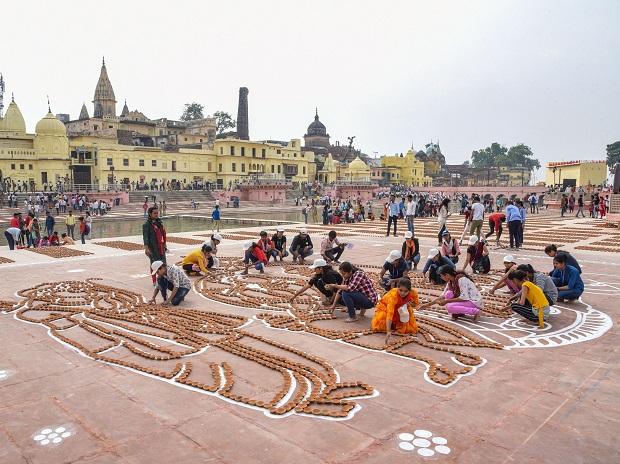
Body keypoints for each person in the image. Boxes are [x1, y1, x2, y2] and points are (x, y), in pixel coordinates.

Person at [371, 278, 419, 344]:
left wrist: (409, 304)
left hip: (401, 307)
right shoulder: (393, 296)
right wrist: (388, 331)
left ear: (409, 290)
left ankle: (395, 324)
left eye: (406, 291)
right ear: (397, 288)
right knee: (381, 322)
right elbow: (389, 314)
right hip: (385, 307)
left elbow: (415, 304)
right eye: (400, 290)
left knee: (408, 324)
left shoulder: (413, 293)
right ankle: (391, 325)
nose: (403, 293)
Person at [143, 207, 167, 285]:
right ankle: (154, 280)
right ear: (150, 214)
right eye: (155, 213)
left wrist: (165, 244)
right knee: (154, 263)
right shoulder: (146, 225)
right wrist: (146, 249)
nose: (157, 214)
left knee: (163, 263)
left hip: (160, 246)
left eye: (157, 213)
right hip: (152, 247)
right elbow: (145, 237)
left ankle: (163, 278)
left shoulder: (159, 222)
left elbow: (163, 234)